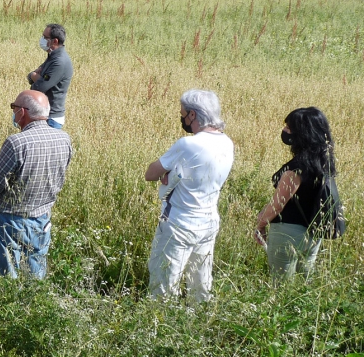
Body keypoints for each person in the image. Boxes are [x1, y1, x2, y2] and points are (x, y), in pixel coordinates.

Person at [145, 89, 234, 302]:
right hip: (209, 221)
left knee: (164, 281)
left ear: (192, 115)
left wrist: (169, 173)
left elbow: (151, 174)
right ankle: (199, 321)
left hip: (179, 223)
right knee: (200, 282)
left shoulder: (188, 144)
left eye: (183, 112)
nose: (182, 116)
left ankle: (161, 322)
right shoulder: (226, 142)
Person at [0, 90, 72, 279]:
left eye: (14, 107)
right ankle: (34, 305)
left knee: (7, 278)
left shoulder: (16, 143)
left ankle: (8, 306)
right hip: (42, 217)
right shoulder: (64, 139)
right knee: (36, 274)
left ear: (22, 112)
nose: (13, 112)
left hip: (9, 219)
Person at [255, 107, 338, 280]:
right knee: (303, 285)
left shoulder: (295, 169)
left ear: (302, 133)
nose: (285, 131)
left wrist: (261, 224)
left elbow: (278, 203)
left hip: (287, 233)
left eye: (289, 127)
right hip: (314, 233)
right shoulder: (324, 163)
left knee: (281, 287)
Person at [27, 23, 72, 130]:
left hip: (51, 118)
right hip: (45, 115)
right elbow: (31, 77)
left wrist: (34, 75)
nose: (42, 40)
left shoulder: (59, 62)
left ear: (55, 41)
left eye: (45, 37)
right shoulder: (52, 57)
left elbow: (39, 87)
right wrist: (34, 76)